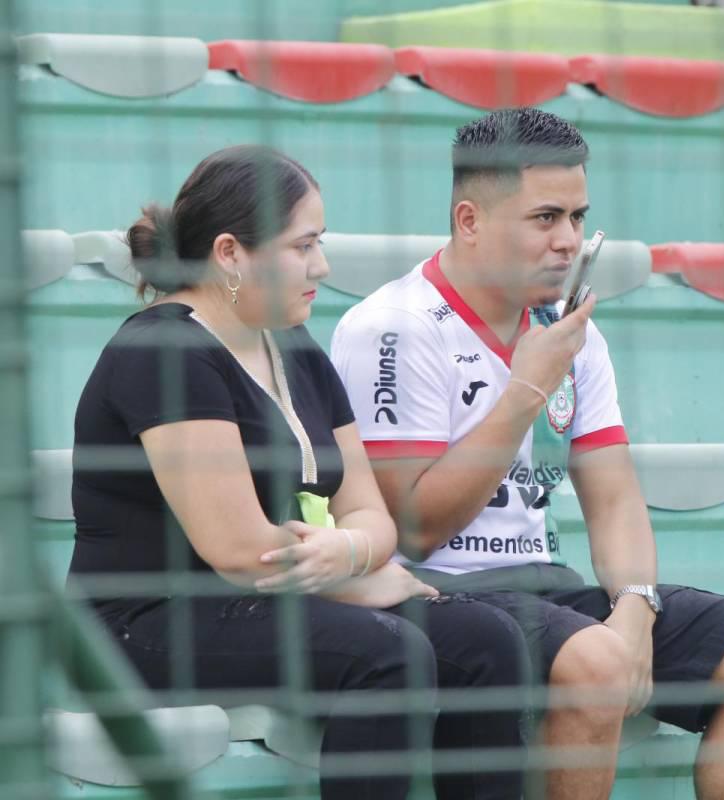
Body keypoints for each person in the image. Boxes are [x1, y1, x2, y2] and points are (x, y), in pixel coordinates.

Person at [331, 108, 724, 799]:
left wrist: (636, 609)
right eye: (545, 218)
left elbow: (613, 499)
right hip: (432, 597)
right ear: (469, 221)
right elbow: (413, 524)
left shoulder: (570, 331)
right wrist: (527, 386)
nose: (568, 242)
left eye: (579, 219)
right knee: (595, 662)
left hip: (541, 588)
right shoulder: (395, 328)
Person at [68, 145, 528, 799]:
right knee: (387, 652)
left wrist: (350, 549)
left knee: (487, 640)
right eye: (303, 245)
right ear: (231, 253)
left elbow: (369, 514)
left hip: (258, 603)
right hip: (144, 620)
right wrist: (354, 578)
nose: (323, 265)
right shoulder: (165, 349)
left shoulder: (296, 346)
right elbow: (239, 551)